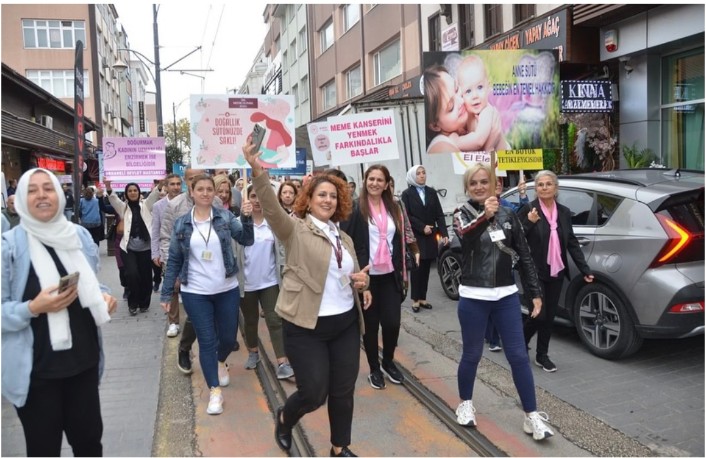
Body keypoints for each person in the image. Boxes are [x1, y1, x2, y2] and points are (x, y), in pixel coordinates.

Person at [243, 136, 371, 457]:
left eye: (333, 195)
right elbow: (271, 208)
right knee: (314, 393)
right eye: (321, 195)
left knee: (343, 391)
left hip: (345, 324)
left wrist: (363, 283)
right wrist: (257, 170)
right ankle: (285, 417)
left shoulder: (343, 237)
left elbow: (354, 275)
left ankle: (339, 448)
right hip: (306, 326)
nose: (328, 200)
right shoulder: (295, 230)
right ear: (309, 199)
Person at [2, 168, 117, 456]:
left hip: (83, 364)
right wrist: (32, 307)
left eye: (48, 188)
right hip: (37, 374)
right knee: (43, 450)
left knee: (89, 446)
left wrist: (105, 295)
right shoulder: (9, 247)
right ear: (21, 199)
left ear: (59, 195)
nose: (41, 195)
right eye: (32, 190)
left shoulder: (77, 235)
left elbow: (92, 281)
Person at [452, 163, 553, 441]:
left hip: (505, 296)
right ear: (467, 187)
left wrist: (535, 293)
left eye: (484, 182)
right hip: (474, 296)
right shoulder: (461, 214)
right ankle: (465, 403)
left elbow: (525, 255)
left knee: (518, 356)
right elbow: (465, 238)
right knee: (472, 354)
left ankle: (531, 415)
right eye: (473, 183)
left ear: (494, 185)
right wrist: (484, 216)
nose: (479, 187)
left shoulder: (509, 215)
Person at [160, 175, 254, 416]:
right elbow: (174, 260)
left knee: (228, 338)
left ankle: (221, 361)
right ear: (191, 192)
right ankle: (214, 391)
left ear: (214, 192)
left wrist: (247, 217)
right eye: (199, 189)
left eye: (209, 189)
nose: (205, 193)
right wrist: (166, 293)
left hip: (226, 289)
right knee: (206, 340)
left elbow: (247, 239)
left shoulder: (225, 217)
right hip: (195, 292)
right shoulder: (182, 223)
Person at [344, 165, 418, 390]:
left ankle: (388, 361)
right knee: (370, 326)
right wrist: (358, 275)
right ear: (365, 181)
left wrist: (411, 254)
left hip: (390, 275)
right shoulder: (356, 208)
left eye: (379, 180)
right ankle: (374, 368)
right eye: (371, 179)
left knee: (392, 323)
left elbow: (401, 237)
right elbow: (348, 241)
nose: (374, 183)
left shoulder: (394, 207)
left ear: (386, 184)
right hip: (367, 277)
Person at [518, 170, 594, 372]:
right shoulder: (528, 209)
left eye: (548, 184)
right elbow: (516, 239)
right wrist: (529, 222)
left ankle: (542, 355)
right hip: (533, 272)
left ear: (555, 188)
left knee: (549, 316)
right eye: (540, 184)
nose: (544, 188)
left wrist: (584, 269)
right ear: (536, 189)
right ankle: (520, 342)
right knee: (539, 314)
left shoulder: (564, 212)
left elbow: (571, 242)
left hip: (556, 270)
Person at [160, 169, 226, 374]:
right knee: (197, 316)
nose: (202, 190)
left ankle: (218, 355)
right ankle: (185, 347)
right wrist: (172, 273)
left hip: (216, 269)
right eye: (192, 180)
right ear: (187, 183)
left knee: (217, 315)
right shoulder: (174, 206)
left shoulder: (216, 203)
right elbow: (166, 239)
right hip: (190, 271)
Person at [238, 184, 294, 379]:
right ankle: (253, 352)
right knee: (250, 320)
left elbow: (283, 250)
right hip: (247, 283)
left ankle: (282, 362)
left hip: (270, 281)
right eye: (253, 196)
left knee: (275, 320)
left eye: (262, 196)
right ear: (247, 199)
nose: (257, 201)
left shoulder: (274, 223)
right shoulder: (238, 223)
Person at [485, 176, 529, 352]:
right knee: (490, 301)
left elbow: (522, 213)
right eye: (494, 182)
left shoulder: (506, 205)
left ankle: (504, 337)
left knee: (504, 301)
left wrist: (523, 195)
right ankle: (492, 338)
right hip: (487, 264)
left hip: (505, 262)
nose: (498, 185)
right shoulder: (480, 206)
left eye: (500, 183)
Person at [105, 179, 161, 315]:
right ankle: (133, 303)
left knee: (146, 277)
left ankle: (144, 303)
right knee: (132, 275)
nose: (133, 193)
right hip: (128, 249)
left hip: (146, 249)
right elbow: (113, 199)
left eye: (135, 190)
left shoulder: (146, 205)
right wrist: (108, 186)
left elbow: (154, 195)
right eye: (130, 191)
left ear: (139, 192)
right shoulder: (123, 208)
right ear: (126, 194)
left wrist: (160, 184)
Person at [400, 165, 448, 312]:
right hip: (416, 236)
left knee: (426, 267)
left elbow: (439, 214)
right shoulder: (407, 194)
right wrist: (422, 227)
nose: (422, 175)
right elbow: (407, 215)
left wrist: (444, 233)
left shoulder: (431, 192)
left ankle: (423, 298)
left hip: (430, 235)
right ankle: (415, 299)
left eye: (424, 173)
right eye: (418, 173)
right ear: (413, 176)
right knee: (417, 267)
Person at [423, 65, 501, 155]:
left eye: (456, 89)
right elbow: (481, 146)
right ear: (435, 125)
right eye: (451, 107)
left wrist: (457, 140)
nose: (461, 101)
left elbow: (478, 141)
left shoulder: (481, 111)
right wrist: (489, 148)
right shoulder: (441, 147)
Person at [451, 54, 509, 152]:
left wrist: (456, 141)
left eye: (480, 87)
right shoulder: (467, 113)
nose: (475, 96)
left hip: (503, 157)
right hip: (489, 156)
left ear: (488, 88)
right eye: (468, 91)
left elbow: (478, 141)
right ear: (462, 94)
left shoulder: (487, 112)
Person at [151, 174, 183, 337]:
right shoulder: (158, 206)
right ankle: (173, 322)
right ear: (166, 186)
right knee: (171, 287)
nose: (176, 187)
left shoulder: (188, 202)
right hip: (167, 251)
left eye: (178, 184)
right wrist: (155, 253)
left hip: (187, 251)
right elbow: (155, 231)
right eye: (172, 184)